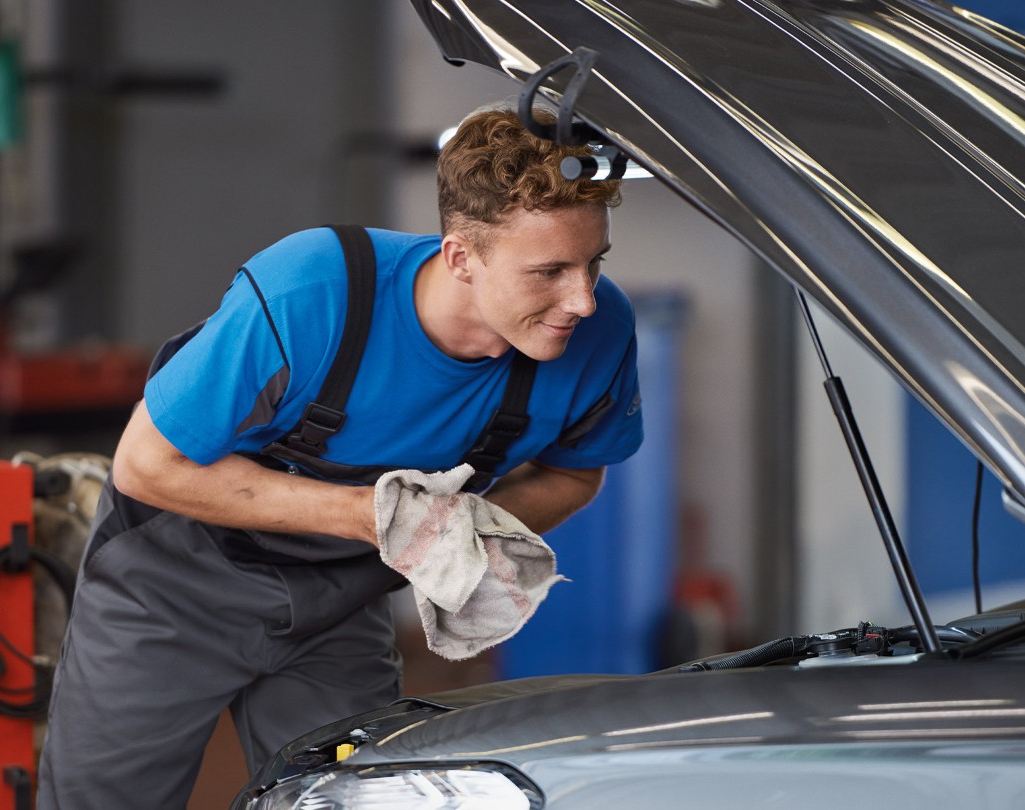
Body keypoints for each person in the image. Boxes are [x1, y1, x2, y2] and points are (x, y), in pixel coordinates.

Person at [36, 104, 643, 809]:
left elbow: (576, 472)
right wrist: (376, 518)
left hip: (338, 607)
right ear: (460, 257)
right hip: (172, 590)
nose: (583, 300)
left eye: (593, 263)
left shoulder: (598, 337)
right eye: (550, 272)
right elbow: (145, 465)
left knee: (352, 800)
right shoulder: (313, 294)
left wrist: (460, 529)